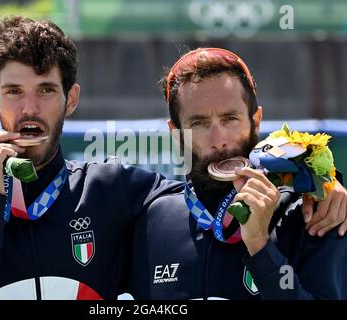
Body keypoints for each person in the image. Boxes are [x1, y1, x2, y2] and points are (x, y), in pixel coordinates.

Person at [0, 16, 182, 300]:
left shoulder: (114, 190)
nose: (30, 108)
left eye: (46, 90)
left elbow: (205, 208)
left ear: (71, 99)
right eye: (13, 92)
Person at [126, 48, 347, 299]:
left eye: (230, 119)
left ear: (256, 121)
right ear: (176, 133)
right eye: (198, 123)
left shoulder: (313, 217)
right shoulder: (149, 219)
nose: (218, 141)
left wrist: (260, 247)